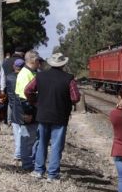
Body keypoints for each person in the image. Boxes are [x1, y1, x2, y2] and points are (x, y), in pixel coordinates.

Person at [25, 52, 80, 182]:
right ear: (63, 64)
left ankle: (38, 170)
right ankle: (52, 174)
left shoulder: (40, 76)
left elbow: (27, 90)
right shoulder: (69, 78)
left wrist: (36, 102)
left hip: (43, 114)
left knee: (42, 143)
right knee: (56, 145)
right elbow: (75, 97)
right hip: (60, 116)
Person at [15, 50, 40, 171]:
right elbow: (25, 96)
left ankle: (31, 162)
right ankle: (27, 165)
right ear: (34, 61)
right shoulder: (26, 74)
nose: (39, 64)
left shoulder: (28, 72)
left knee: (31, 138)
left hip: (28, 109)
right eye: (38, 61)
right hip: (27, 110)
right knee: (27, 139)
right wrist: (28, 113)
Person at [6, 58, 25, 162]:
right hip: (23, 106)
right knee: (24, 131)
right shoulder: (25, 77)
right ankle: (21, 153)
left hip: (13, 106)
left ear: (14, 66)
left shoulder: (9, 77)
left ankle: (18, 153)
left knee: (17, 132)